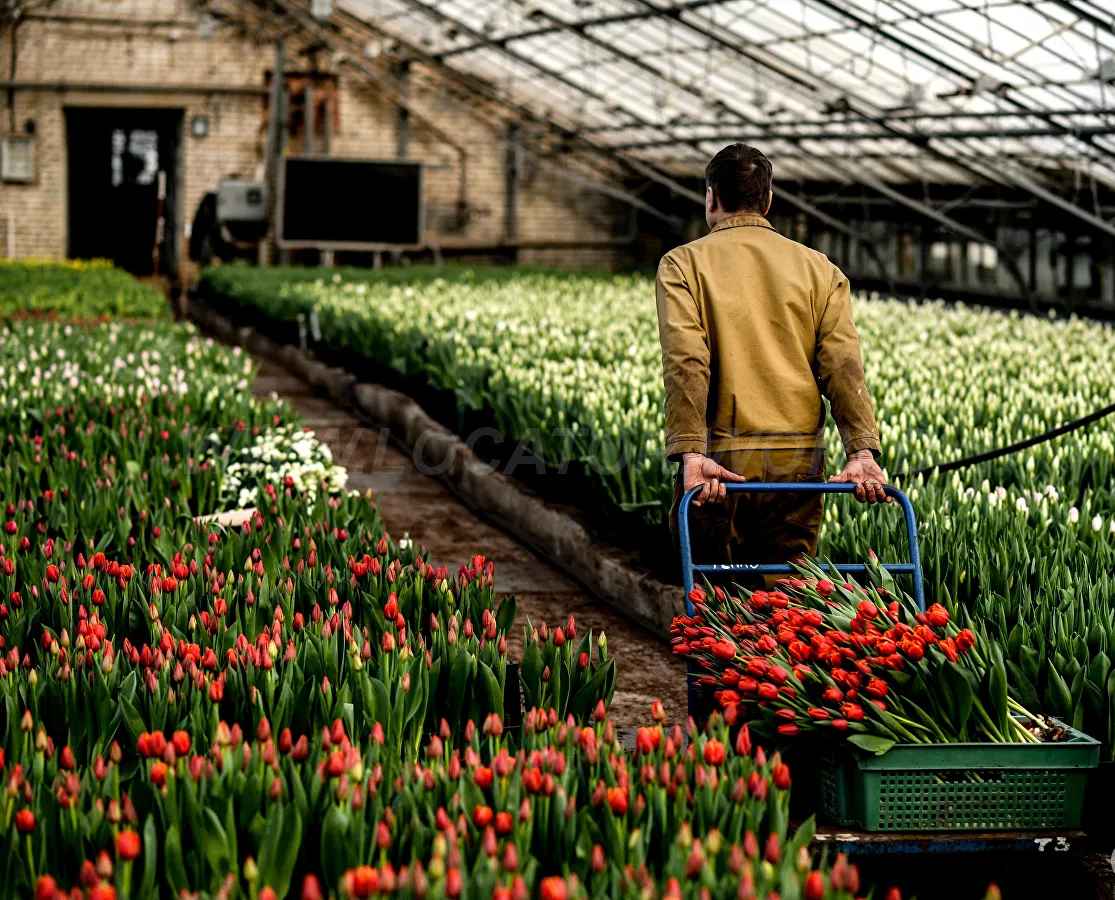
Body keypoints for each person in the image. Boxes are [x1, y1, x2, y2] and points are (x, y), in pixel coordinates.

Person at [656, 142, 888, 569]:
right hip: (798, 464)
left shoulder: (683, 264)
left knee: (714, 598)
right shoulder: (821, 270)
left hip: (721, 467)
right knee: (785, 600)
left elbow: (686, 361)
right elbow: (843, 366)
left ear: (711, 197)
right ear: (768, 200)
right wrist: (862, 452)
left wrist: (692, 452)